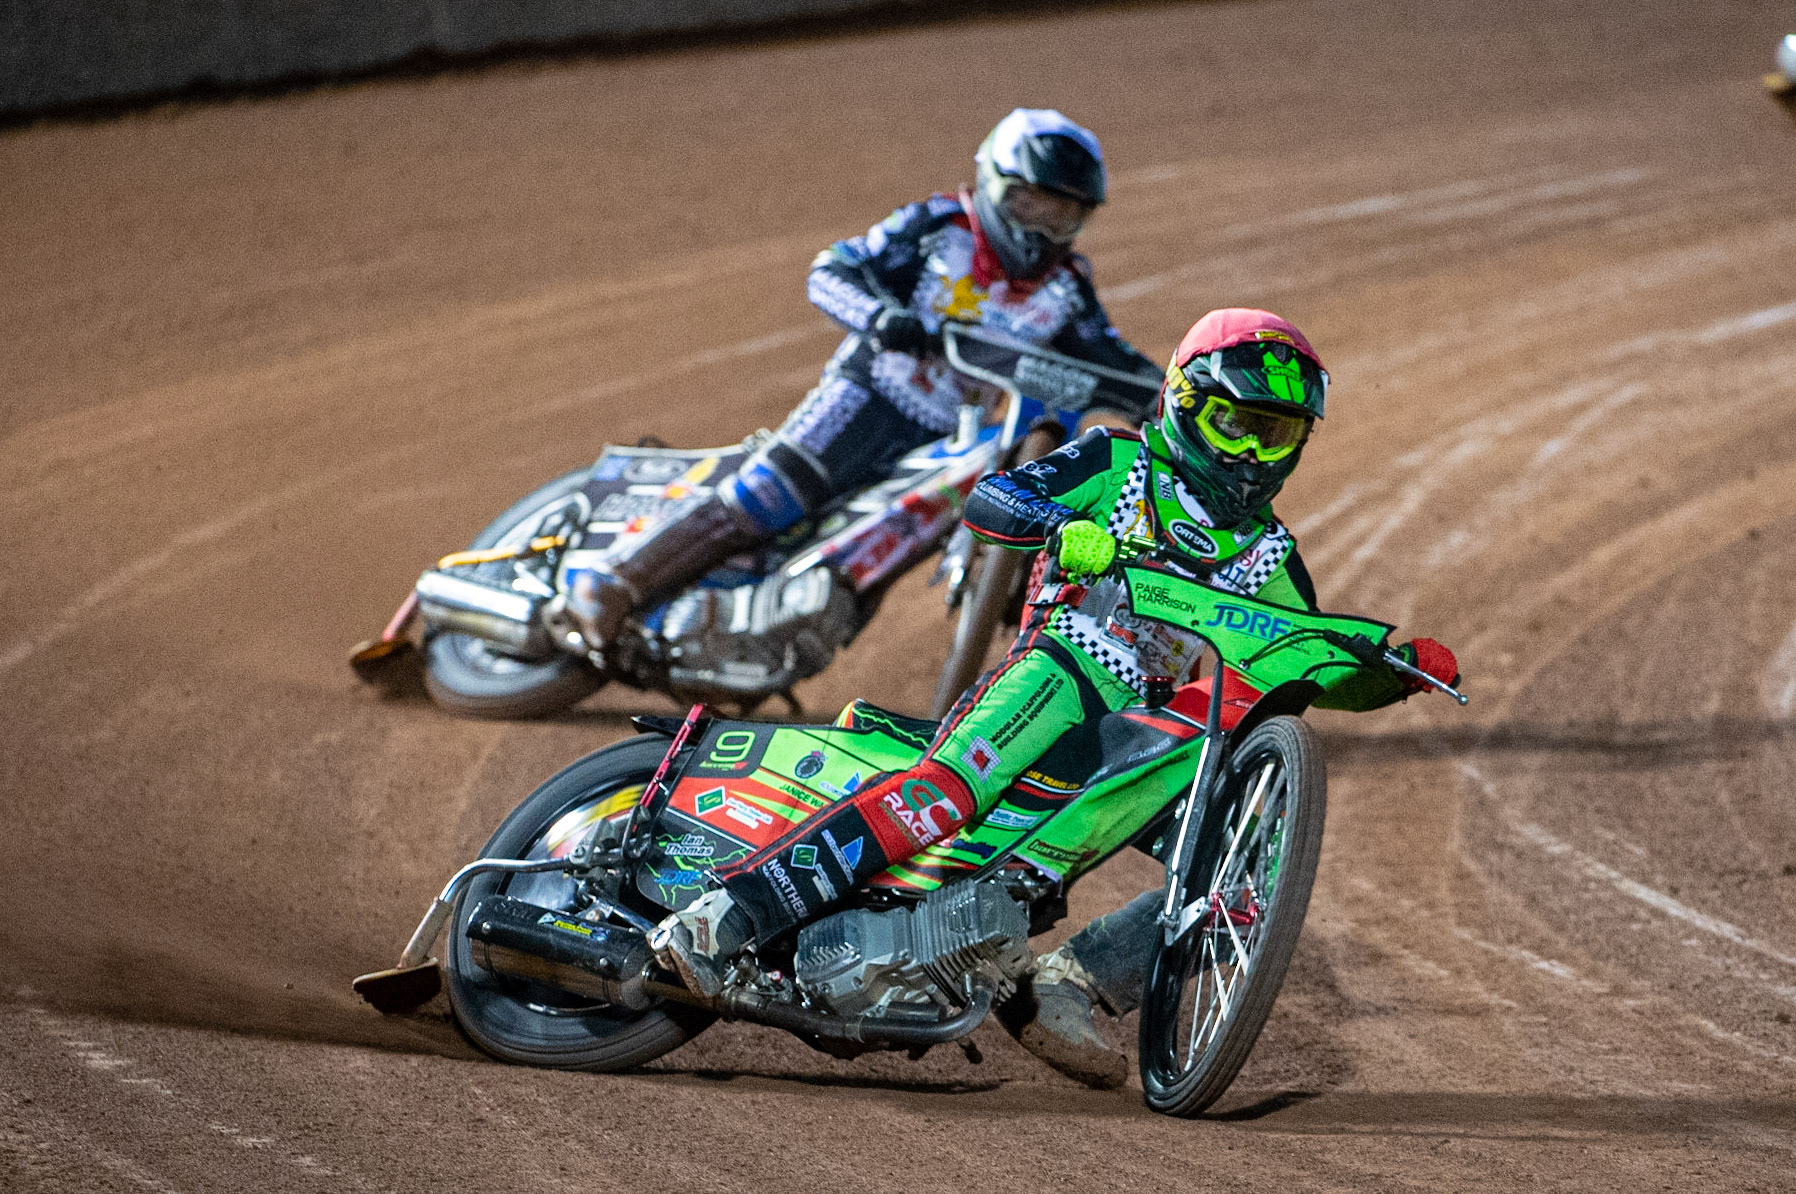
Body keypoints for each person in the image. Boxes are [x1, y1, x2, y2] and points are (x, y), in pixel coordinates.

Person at [652, 307, 1462, 1087]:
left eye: (1276, 432)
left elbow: (1305, 662)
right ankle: (727, 915)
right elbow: (994, 500)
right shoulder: (1116, 462)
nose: (1253, 451)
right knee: (940, 794)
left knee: (1245, 887)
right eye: (1234, 422)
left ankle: (1068, 983)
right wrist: (1057, 524)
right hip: (1063, 667)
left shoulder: (1273, 556)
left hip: (1150, 732)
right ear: (1183, 402)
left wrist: (1391, 666)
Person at [565, 108, 1158, 650]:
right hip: (871, 393)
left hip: (953, 435)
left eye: (1064, 215)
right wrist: (881, 316)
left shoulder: (1068, 287)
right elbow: (832, 269)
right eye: (1033, 205)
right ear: (995, 185)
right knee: (770, 496)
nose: (1044, 228)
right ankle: (615, 582)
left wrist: (1165, 395)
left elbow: (1106, 357)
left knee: (889, 551)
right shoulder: (938, 226)